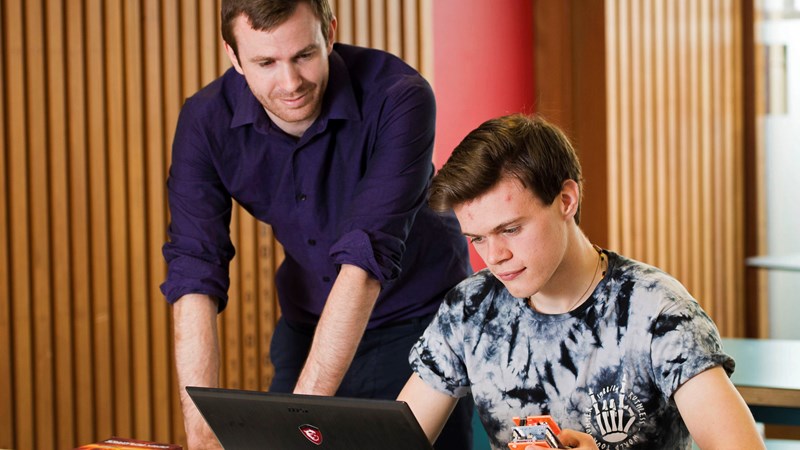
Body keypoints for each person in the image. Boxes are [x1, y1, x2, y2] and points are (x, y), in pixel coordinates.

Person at [160, 1, 473, 448]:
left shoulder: (399, 96)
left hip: (417, 321)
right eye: (265, 62)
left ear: (329, 33)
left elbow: (365, 261)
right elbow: (194, 273)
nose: (290, 84)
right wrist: (200, 434)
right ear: (233, 56)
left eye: (304, 55)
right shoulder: (206, 121)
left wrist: (297, 426)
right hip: (309, 326)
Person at [397, 113, 766, 450]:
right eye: (477, 238)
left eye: (510, 229)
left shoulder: (656, 311)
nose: (494, 257)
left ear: (566, 200)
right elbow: (394, 438)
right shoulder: (470, 308)